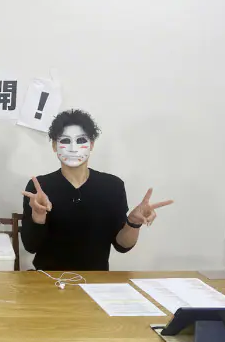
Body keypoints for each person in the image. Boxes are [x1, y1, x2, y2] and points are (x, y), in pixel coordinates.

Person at [21, 110, 173, 271]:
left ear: (91, 144)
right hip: (48, 279)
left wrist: (133, 223)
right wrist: (38, 216)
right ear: (54, 146)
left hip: (97, 280)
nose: (73, 148)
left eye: (81, 140)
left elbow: (122, 245)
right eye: (65, 140)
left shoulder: (112, 186)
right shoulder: (39, 187)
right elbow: (30, 246)